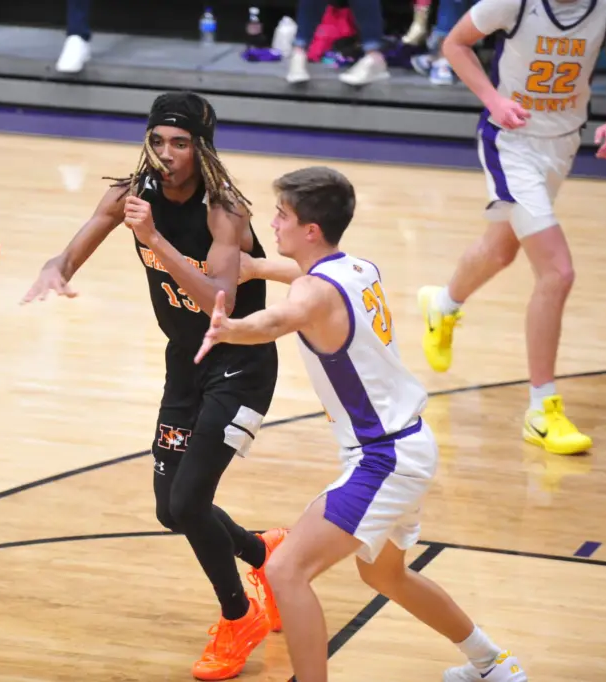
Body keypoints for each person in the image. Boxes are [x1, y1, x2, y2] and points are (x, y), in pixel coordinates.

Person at [195, 166, 528, 682]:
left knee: (285, 570)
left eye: (282, 215)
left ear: (310, 230)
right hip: (409, 443)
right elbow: (305, 280)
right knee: (384, 574)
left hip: (383, 457)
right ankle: (493, 663)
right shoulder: (357, 267)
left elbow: (279, 319)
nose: (273, 222)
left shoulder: (312, 295)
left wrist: (230, 328)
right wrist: (257, 267)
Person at [22, 91, 288, 681]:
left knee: (191, 502)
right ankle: (263, 552)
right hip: (185, 365)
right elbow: (74, 248)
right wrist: (54, 269)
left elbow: (217, 302)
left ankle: (239, 616)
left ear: (201, 149)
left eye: (180, 143)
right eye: (158, 141)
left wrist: (156, 242)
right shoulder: (130, 195)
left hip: (241, 365)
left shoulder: (226, 211)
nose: (166, 154)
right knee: (172, 510)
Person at [418, 0, 606, 455]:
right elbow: (454, 43)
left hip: (563, 142)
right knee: (558, 273)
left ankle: (442, 304)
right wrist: (494, 100)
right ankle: (542, 409)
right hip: (510, 142)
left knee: (501, 250)